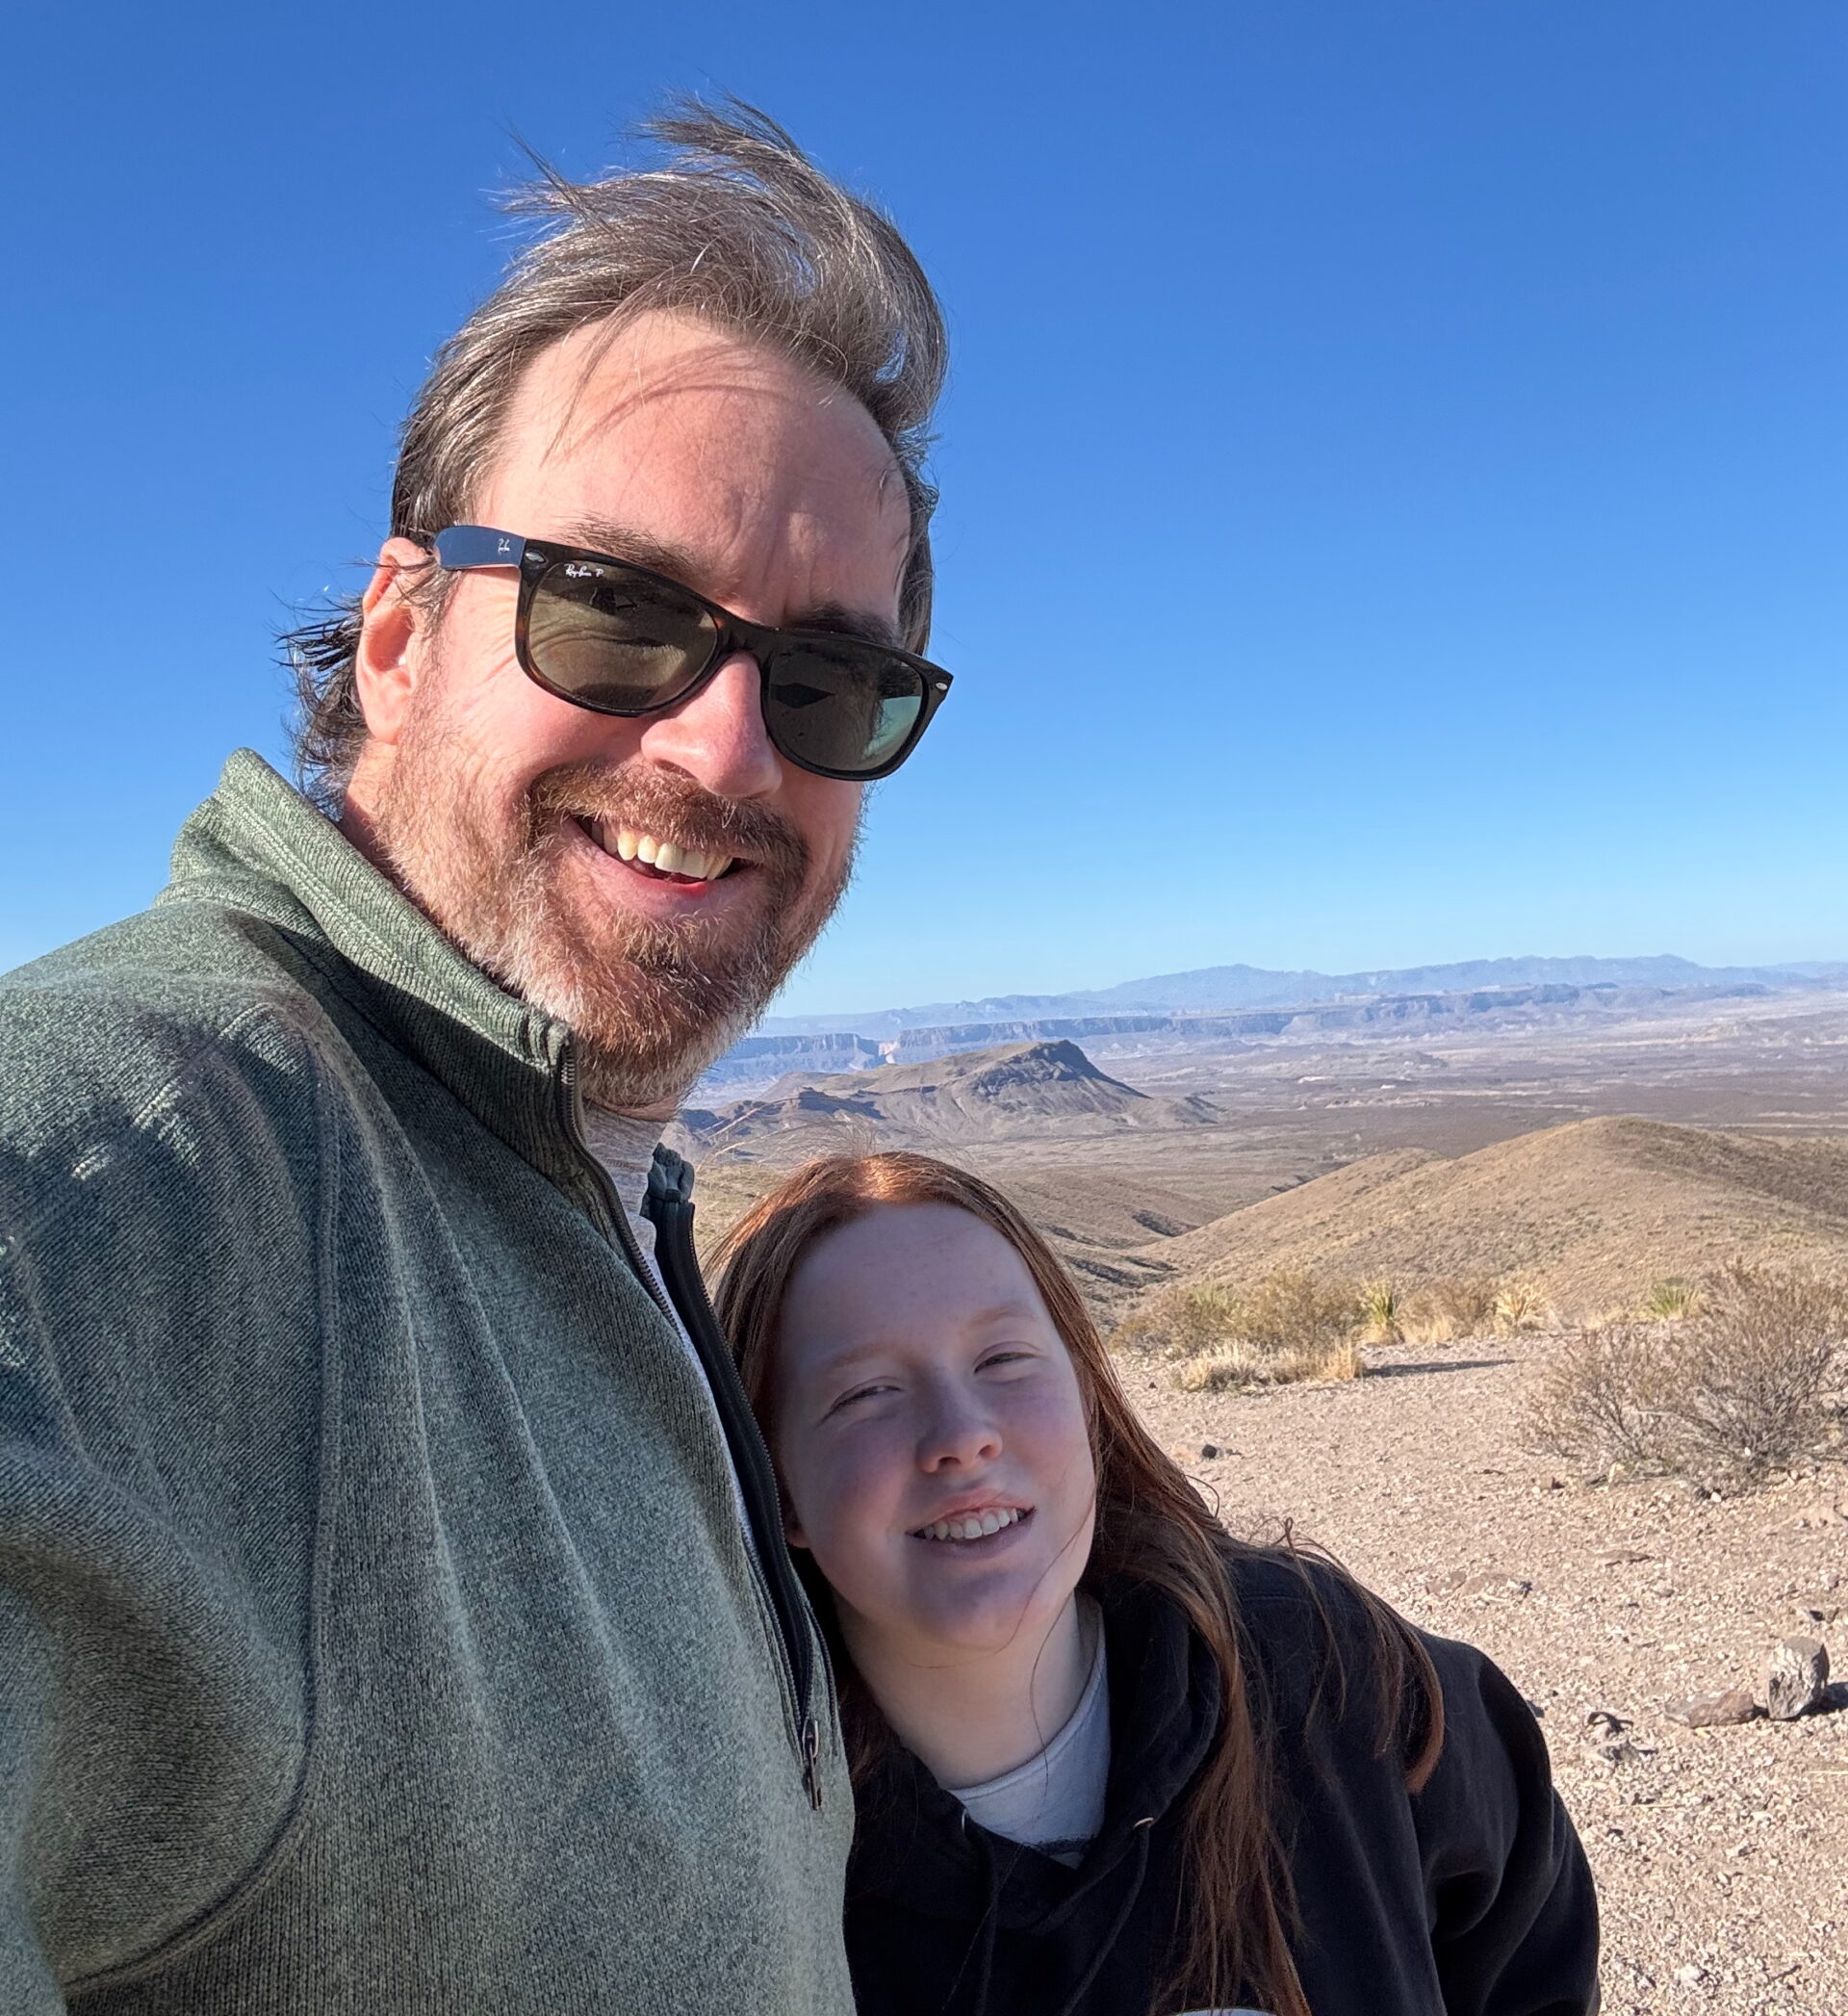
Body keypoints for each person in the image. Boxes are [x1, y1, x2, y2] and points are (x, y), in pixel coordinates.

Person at [0, 104, 954, 2013]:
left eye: (826, 679)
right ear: (399, 631)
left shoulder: (595, 1193)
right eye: (617, 610)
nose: (725, 752)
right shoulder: (137, 1176)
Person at [712, 1151, 1602, 2016]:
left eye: (1004, 1360)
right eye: (866, 1393)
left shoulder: (1322, 1673)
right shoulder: (747, 1871)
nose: (962, 1433)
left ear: (1086, 1402)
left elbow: (1529, 1931)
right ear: (775, 1485)